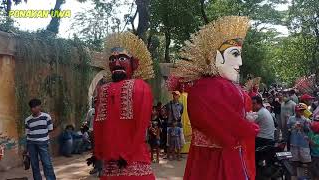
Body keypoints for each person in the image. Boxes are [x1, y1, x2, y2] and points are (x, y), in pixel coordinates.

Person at [172, 16, 259, 180]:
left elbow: (221, 120)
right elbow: (228, 128)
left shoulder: (198, 87)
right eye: (235, 54)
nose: (240, 62)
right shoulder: (220, 87)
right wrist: (250, 126)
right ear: (217, 58)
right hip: (220, 158)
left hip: (201, 158)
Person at [93, 32, 155, 180]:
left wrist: (127, 154)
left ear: (134, 63)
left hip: (132, 157)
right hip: (110, 160)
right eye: (112, 59)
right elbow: (98, 124)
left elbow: (141, 125)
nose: (116, 63)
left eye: (122, 58)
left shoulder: (141, 87)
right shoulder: (103, 89)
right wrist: (97, 151)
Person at [24, 98, 56, 180]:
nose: (33, 109)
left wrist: (43, 138)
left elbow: (50, 129)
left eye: (35, 107)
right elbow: (27, 134)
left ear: (39, 107)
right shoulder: (28, 120)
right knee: (34, 165)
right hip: (31, 144)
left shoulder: (46, 117)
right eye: (32, 107)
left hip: (43, 143)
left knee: (47, 163)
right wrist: (26, 148)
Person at [287, 104, 311, 178]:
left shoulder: (306, 119)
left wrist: (303, 126)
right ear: (296, 111)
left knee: (306, 160)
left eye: (302, 111)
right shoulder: (291, 119)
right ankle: (295, 175)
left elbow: (308, 130)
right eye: (299, 111)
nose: (300, 112)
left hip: (303, 142)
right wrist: (292, 127)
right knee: (294, 160)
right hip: (294, 142)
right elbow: (288, 128)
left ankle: (307, 175)